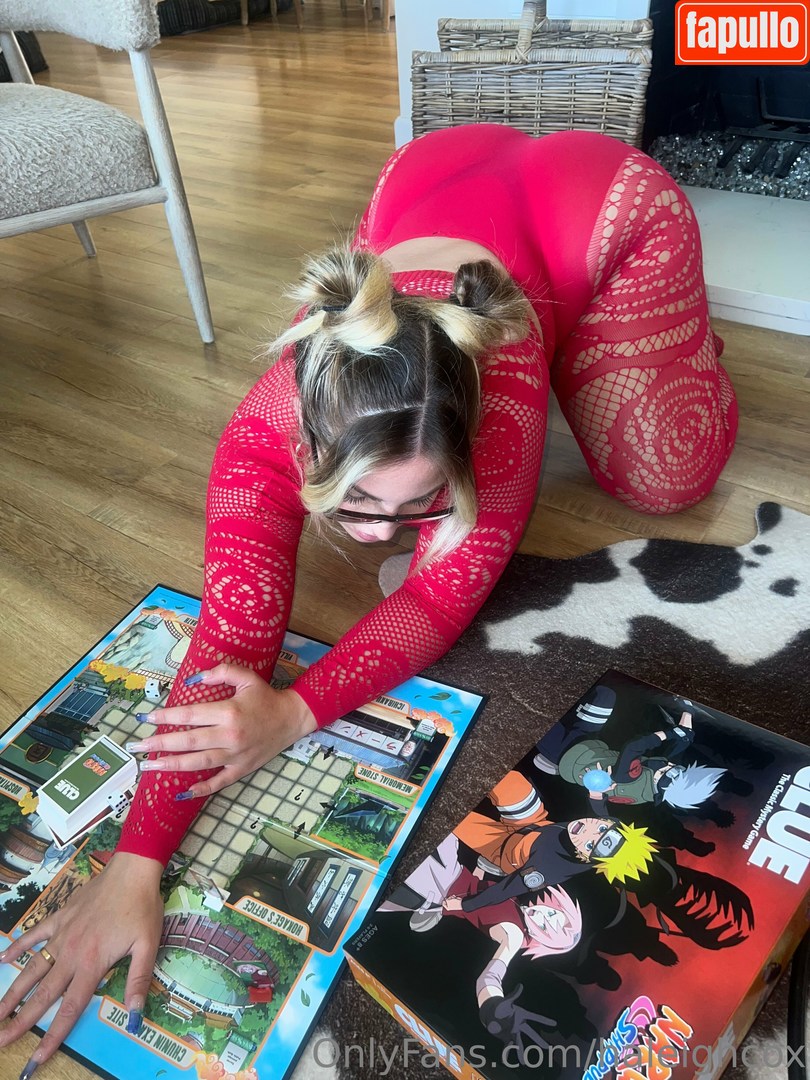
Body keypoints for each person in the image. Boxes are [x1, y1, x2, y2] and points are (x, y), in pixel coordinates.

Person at [0, 124, 738, 1074]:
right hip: (428, 173)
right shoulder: (265, 426)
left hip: (597, 204)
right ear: (303, 446)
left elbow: (432, 608)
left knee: (665, 478)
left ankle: (648, 343)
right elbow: (230, 636)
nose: (380, 533)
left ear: (463, 447)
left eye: (416, 502)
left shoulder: (501, 418)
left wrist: (294, 712)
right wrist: (135, 862)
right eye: (354, 504)